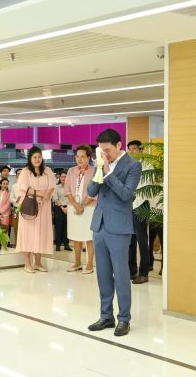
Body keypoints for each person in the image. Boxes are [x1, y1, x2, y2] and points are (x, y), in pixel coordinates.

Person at [86, 129, 142, 336]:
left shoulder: (133, 165)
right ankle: (106, 316)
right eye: (101, 151)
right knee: (102, 274)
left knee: (121, 274)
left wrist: (109, 173)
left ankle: (124, 318)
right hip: (99, 225)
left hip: (119, 227)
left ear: (119, 145)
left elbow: (126, 195)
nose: (104, 154)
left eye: (107, 150)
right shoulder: (100, 163)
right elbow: (91, 192)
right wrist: (99, 173)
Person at [15, 146, 55, 272]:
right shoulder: (25, 172)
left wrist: (46, 196)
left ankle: (38, 262)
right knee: (28, 234)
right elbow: (24, 189)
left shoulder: (47, 171)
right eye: (35, 157)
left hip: (44, 207)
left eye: (39, 157)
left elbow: (52, 187)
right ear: (30, 158)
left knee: (40, 234)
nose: (37, 159)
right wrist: (41, 193)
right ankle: (27, 263)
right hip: (29, 207)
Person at [64, 146, 97, 274]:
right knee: (76, 236)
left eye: (83, 156)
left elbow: (95, 191)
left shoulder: (94, 171)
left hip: (89, 208)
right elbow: (67, 190)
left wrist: (82, 205)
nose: (79, 159)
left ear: (89, 157)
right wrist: (75, 205)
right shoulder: (71, 171)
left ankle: (89, 264)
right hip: (73, 208)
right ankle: (77, 263)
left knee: (89, 237)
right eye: (77, 156)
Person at [126, 140, 152, 283]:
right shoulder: (128, 165)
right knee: (130, 239)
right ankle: (131, 271)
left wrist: (133, 200)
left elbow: (146, 188)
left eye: (134, 149)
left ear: (141, 150)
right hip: (129, 204)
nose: (131, 152)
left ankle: (144, 273)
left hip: (141, 204)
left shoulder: (148, 165)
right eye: (129, 149)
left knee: (142, 240)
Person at [52, 170, 70, 250]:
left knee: (67, 227)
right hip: (59, 208)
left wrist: (67, 208)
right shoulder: (56, 187)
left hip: (68, 208)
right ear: (59, 178)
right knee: (58, 226)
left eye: (65, 177)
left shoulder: (70, 187)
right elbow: (55, 198)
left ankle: (66, 245)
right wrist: (62, 207)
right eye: (62, 177)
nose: (63, 178)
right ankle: (58, 245)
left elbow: (72, 198)